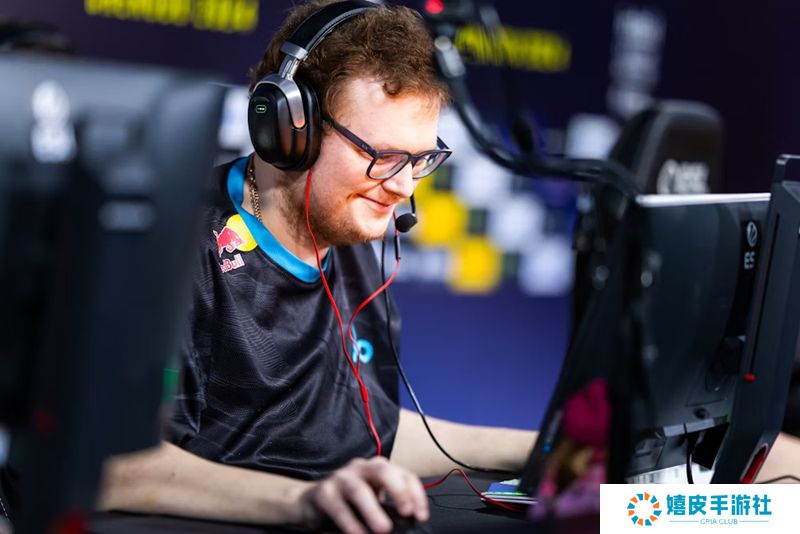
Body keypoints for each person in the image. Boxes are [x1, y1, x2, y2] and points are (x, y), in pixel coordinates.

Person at [96, 2, 535, 533]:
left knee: (619, 518)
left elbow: (361, 430)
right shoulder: (174, 248)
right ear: (289, 130)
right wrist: (303, 500)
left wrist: (538, 448)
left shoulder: (351, 240)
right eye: (383, 156)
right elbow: (115, 465)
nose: (402, 187)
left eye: (420, 159)